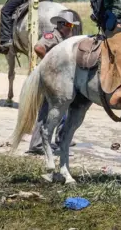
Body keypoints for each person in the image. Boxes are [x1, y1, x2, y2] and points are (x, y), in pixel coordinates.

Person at [26, 10, 80, 155]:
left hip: (60, 81)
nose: (70, 28)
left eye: (72, 25)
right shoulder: (52, 36)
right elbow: (38, 47)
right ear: (61, 24)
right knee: (46, 110)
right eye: (68, 25)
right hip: (50, 79)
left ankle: (60, 139)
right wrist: (49, 63)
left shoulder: (64, 39)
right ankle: (37, 144)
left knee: (64, 109)